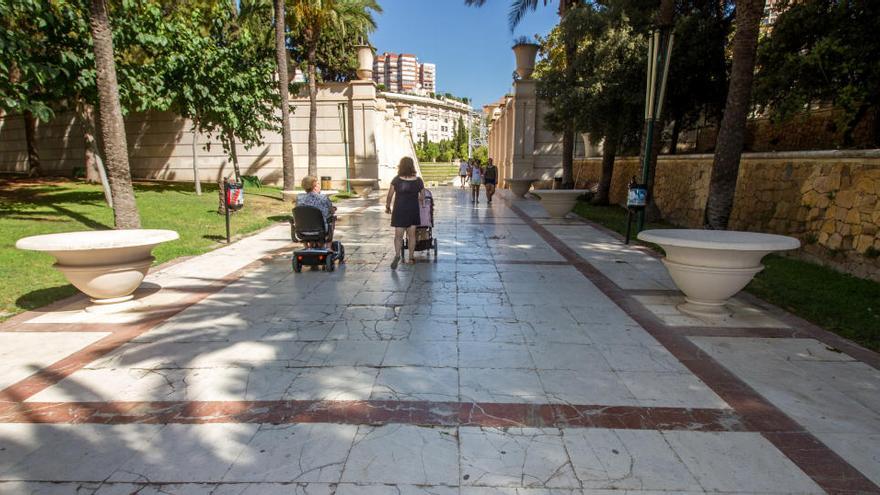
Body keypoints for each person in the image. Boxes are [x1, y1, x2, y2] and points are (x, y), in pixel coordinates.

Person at [385, 157, 425, 269]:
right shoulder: (418, 181)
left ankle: (397, 255)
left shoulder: (396, 180)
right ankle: (411, 257)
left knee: (398, 236)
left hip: (399, 211)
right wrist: (421, 202)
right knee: (411, 236)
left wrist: (388, 207)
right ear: (412, 166)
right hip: (412, 210)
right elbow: (423, 196)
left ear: (400, 166)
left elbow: (389, 195)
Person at [296, 175, 336, 249]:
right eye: (318, 183)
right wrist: (333, 210)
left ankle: (306, 247)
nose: (319, 185)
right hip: (321, 230)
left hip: (302, 231)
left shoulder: (299, 198)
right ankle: (328, 247)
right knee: (332, 219)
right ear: (314, 186)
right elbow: (330, 212)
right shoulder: (323, 198)